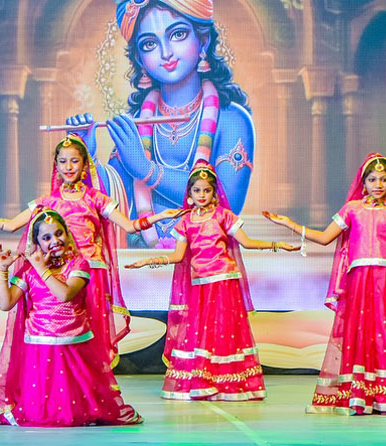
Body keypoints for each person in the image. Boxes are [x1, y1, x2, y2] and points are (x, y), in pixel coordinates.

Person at [65, 0, 255, 246]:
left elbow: (227, 207)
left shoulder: (232, 120)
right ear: (140, 59)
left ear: (203, 41)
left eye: (177, 34)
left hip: (205, 258)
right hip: (139, 256)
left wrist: (148, 171)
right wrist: (85, 159)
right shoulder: (140, 123)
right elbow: (111, 201)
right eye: (150, 44)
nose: (165, 53)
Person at [0, 133, 180, 361]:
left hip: (91, 273)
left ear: (85, 165)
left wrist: (159, 216)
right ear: (56, 166)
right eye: (63, 161)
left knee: (91, 334)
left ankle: (90, 380)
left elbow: (129, 226)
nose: (68, 167)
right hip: (58, 273)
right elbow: (10, 225)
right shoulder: (48, 201)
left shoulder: (96, 199)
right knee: (60, 329)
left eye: (74, 161)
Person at [264, 153, 386, 414]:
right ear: (363, 182)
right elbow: (325, 237)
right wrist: (291, 224)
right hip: (359, 282)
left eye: (384, 179)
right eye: (373, 179)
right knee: (361, 334)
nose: (378, 184)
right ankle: (359, 394)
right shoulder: (352, 209)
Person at [126, 164, 296, 401]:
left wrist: (277, 245)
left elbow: (247, 243)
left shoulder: (223, 216)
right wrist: (149, 261)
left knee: (225, 332)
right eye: (197, 190)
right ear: (189, 194)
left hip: (225, 283)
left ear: (214, 193)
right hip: (200, 286)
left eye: (206, 190)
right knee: (201, 333)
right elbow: (177, 256)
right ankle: (204, 381)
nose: (202, 195)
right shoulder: (186, 222)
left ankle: (228, 383)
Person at [0, 209, 142, 426]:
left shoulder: (78, 265)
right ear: (37, 243)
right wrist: (2, 270)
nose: (54, 241)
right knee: (41, 408)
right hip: (39, 343)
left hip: (75, 340)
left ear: (67, 234)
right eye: (46, 237)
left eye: (59, 233)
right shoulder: (30, 270)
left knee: (80, 401)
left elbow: (65, 294)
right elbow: (5, 303)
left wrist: (41, 268)